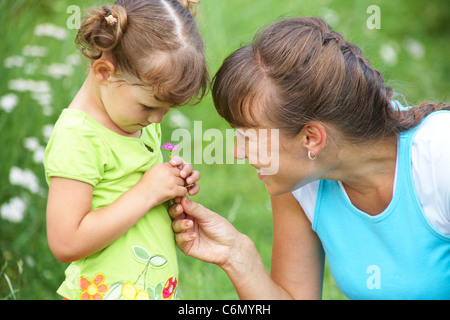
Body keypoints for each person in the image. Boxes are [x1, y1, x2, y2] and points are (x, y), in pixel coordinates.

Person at [170, 17, 450, 299]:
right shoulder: (299, 179)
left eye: (248, 138)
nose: (236, 152)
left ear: (311, 138)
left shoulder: (440, 156)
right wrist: (236, 254)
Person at [44, 0, 207, 300]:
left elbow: (129, 197)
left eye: (166, 109)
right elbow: (65, 242)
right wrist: (147, 192)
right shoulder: (79, 137)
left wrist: (169, 186)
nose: (157, 119)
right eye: (149, 106)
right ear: (104, 72)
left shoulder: (136, 122)